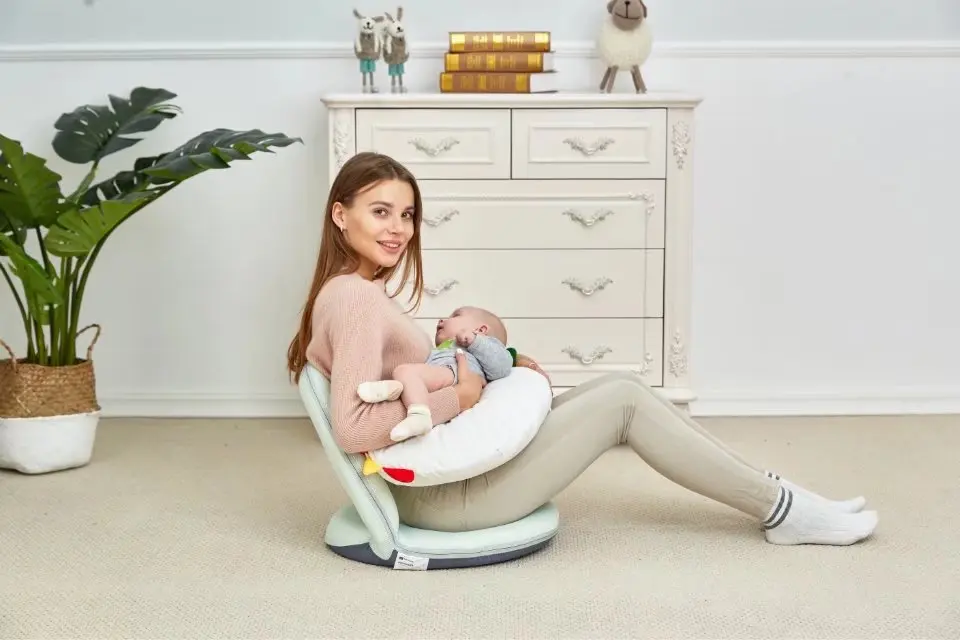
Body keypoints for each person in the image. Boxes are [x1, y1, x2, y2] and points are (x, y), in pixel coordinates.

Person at [287, 152, 879, 547]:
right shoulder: (354, 299)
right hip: (445, 500)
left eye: (408, 215)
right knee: (622, 398)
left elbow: (423, 383)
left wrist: (500, 372)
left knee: (615, 388)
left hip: (448, 474)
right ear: (341, 215)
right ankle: (783, 510)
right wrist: (466, 397)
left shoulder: (355, 293)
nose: (398, 228)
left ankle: (780, 497)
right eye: (380, 212)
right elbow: (353, 427)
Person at [357, 305, 514, 442]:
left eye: (456, 315)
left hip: (455, 372)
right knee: (403, 371)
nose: (441, 320)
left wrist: (475, 340)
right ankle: (393, 390)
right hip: (444, 377)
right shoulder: (441, 348)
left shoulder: (479, 345)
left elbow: (502, 367)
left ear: (481, 330)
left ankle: (418, 415)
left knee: (409, 373)